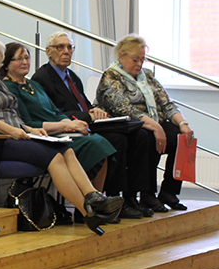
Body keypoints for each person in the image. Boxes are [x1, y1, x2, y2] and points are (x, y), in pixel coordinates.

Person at [0, 36, 124, 235]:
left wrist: (30, 129)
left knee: (65, 148)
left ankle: (93, 197)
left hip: (12, 137)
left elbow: (12, 116)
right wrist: (14, 131)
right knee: (53, 156)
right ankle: (88, 213)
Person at [32, 31, 159, 218]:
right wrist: (89, 115)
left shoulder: (71, 76)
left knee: (140, 135)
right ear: (48, 51)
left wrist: (96, 111)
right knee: (117, 140)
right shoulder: (42, 78)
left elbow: (83, 103)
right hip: (69, 128)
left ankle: (131, 197)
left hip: (87, 122)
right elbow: (54, 113)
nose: (66, 51)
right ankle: (113, 198)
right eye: (60, 47)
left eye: (69, 47)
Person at [95, 34, 195, 212]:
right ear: (122, 56)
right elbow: (123, 109)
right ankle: (144, 193)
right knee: (147, 137)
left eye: (142, 59)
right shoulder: (111, 76)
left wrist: (183, 123)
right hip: (129, 124)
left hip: (153, 121)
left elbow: (166, 103)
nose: (139, 64)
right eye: (135, 59)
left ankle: (169, 191)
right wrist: (156, 127)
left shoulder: (147, 76)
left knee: (181, 136)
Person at [0, 42, 115, 193]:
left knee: (100, 141)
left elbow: (56, 111)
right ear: (7, 64)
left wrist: (71, 123)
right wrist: (65, 126)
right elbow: (28, 123)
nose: (25, 62)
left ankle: (98, 196)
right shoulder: (9, 88)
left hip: (60, 130)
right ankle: (91, 198)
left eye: (27, 58)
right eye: (19, 58)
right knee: (94, 145)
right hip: (43, 135)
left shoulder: (34, 84)